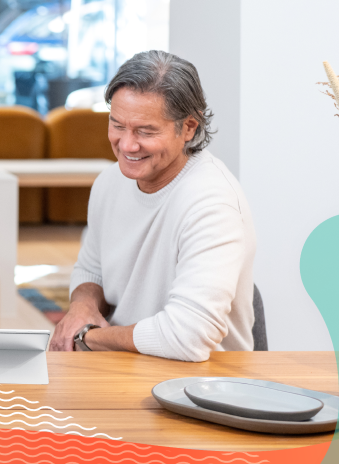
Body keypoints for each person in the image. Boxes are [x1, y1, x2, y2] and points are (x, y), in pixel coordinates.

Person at [48, 50, 256, 362]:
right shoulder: (109, 182)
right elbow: (92, 270)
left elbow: (188, 337)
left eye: (145, 131)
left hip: (201, 383)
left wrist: (87, 337)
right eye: (117, 125)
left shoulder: (212, 203)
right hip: (122, 364)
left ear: (188, 127)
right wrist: (82, 307)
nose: (127, 145)